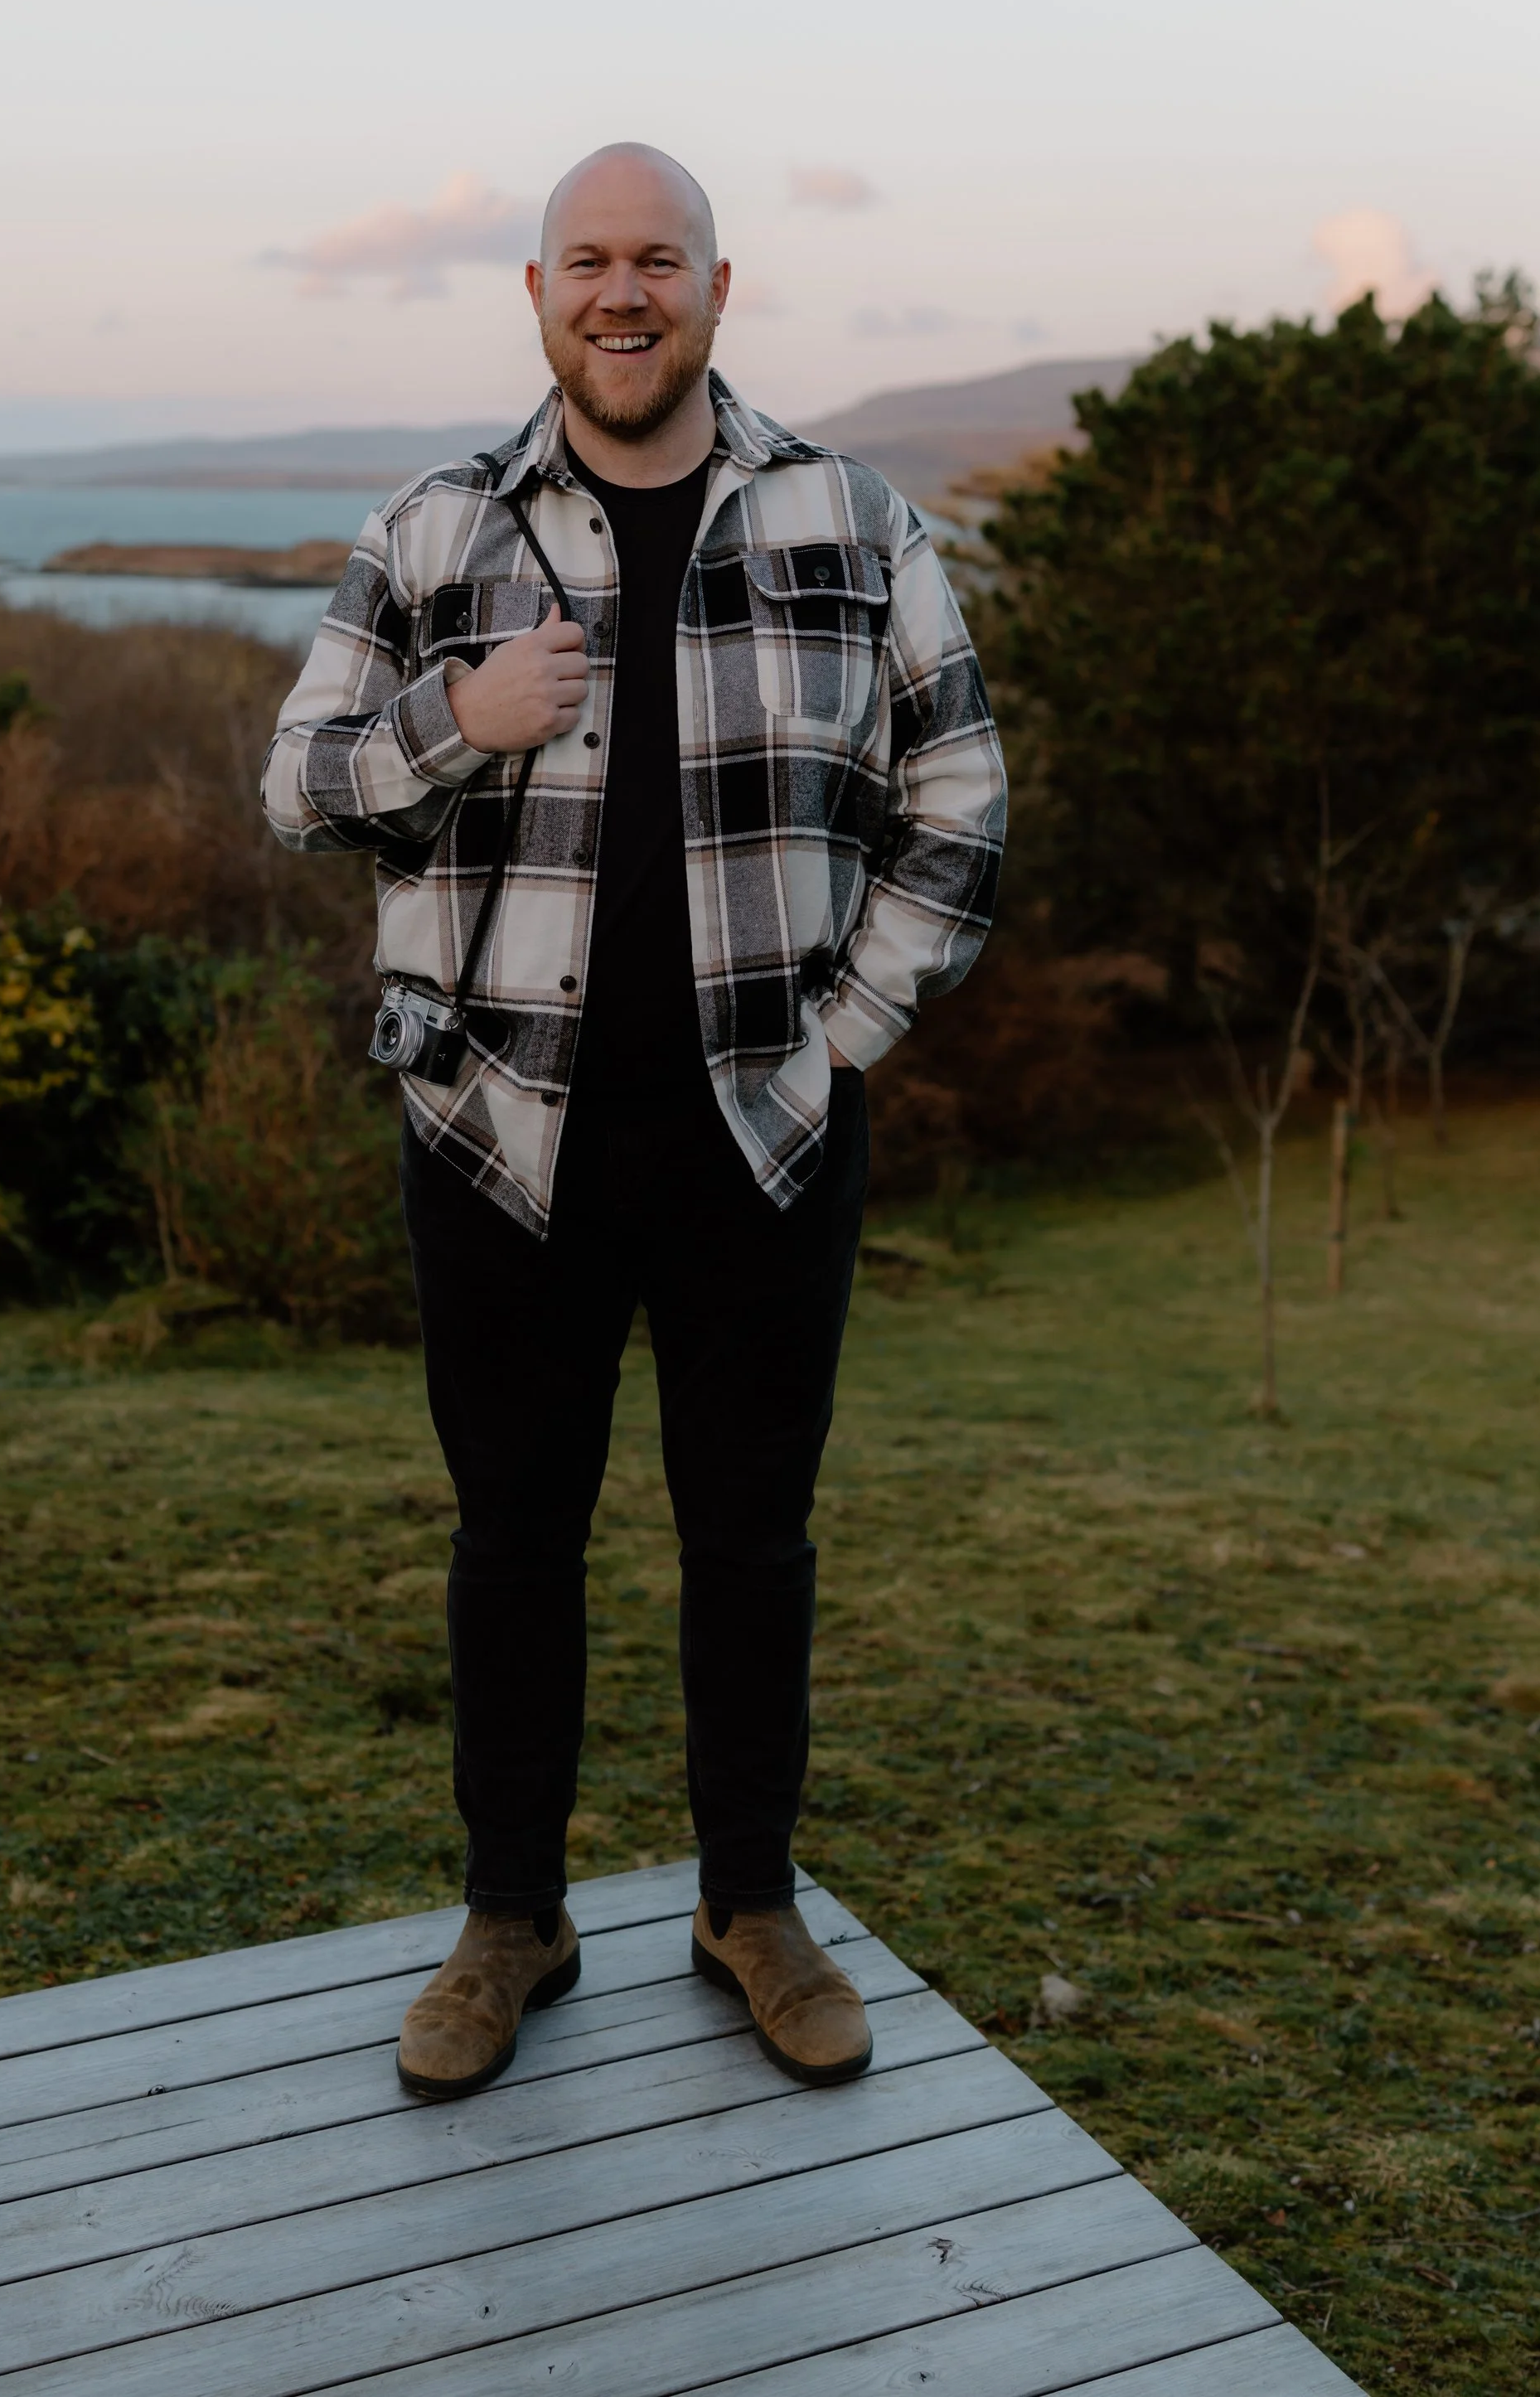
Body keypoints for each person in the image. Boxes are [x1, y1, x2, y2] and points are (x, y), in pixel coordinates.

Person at [263, 143, 1005, 2098]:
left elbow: (960, 798)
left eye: (655, 259)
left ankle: (745, 1901)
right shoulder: (430, 530)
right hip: (497, 1130)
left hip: (763, 1130)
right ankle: (512, 1916)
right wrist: (457, 721)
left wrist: (845, 1033)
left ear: (715, 285)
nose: (623, 291)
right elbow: (299, 785)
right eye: (587, 260)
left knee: (748, 1535)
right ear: (533, 292)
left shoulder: (854, 517)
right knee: (513, 1531)